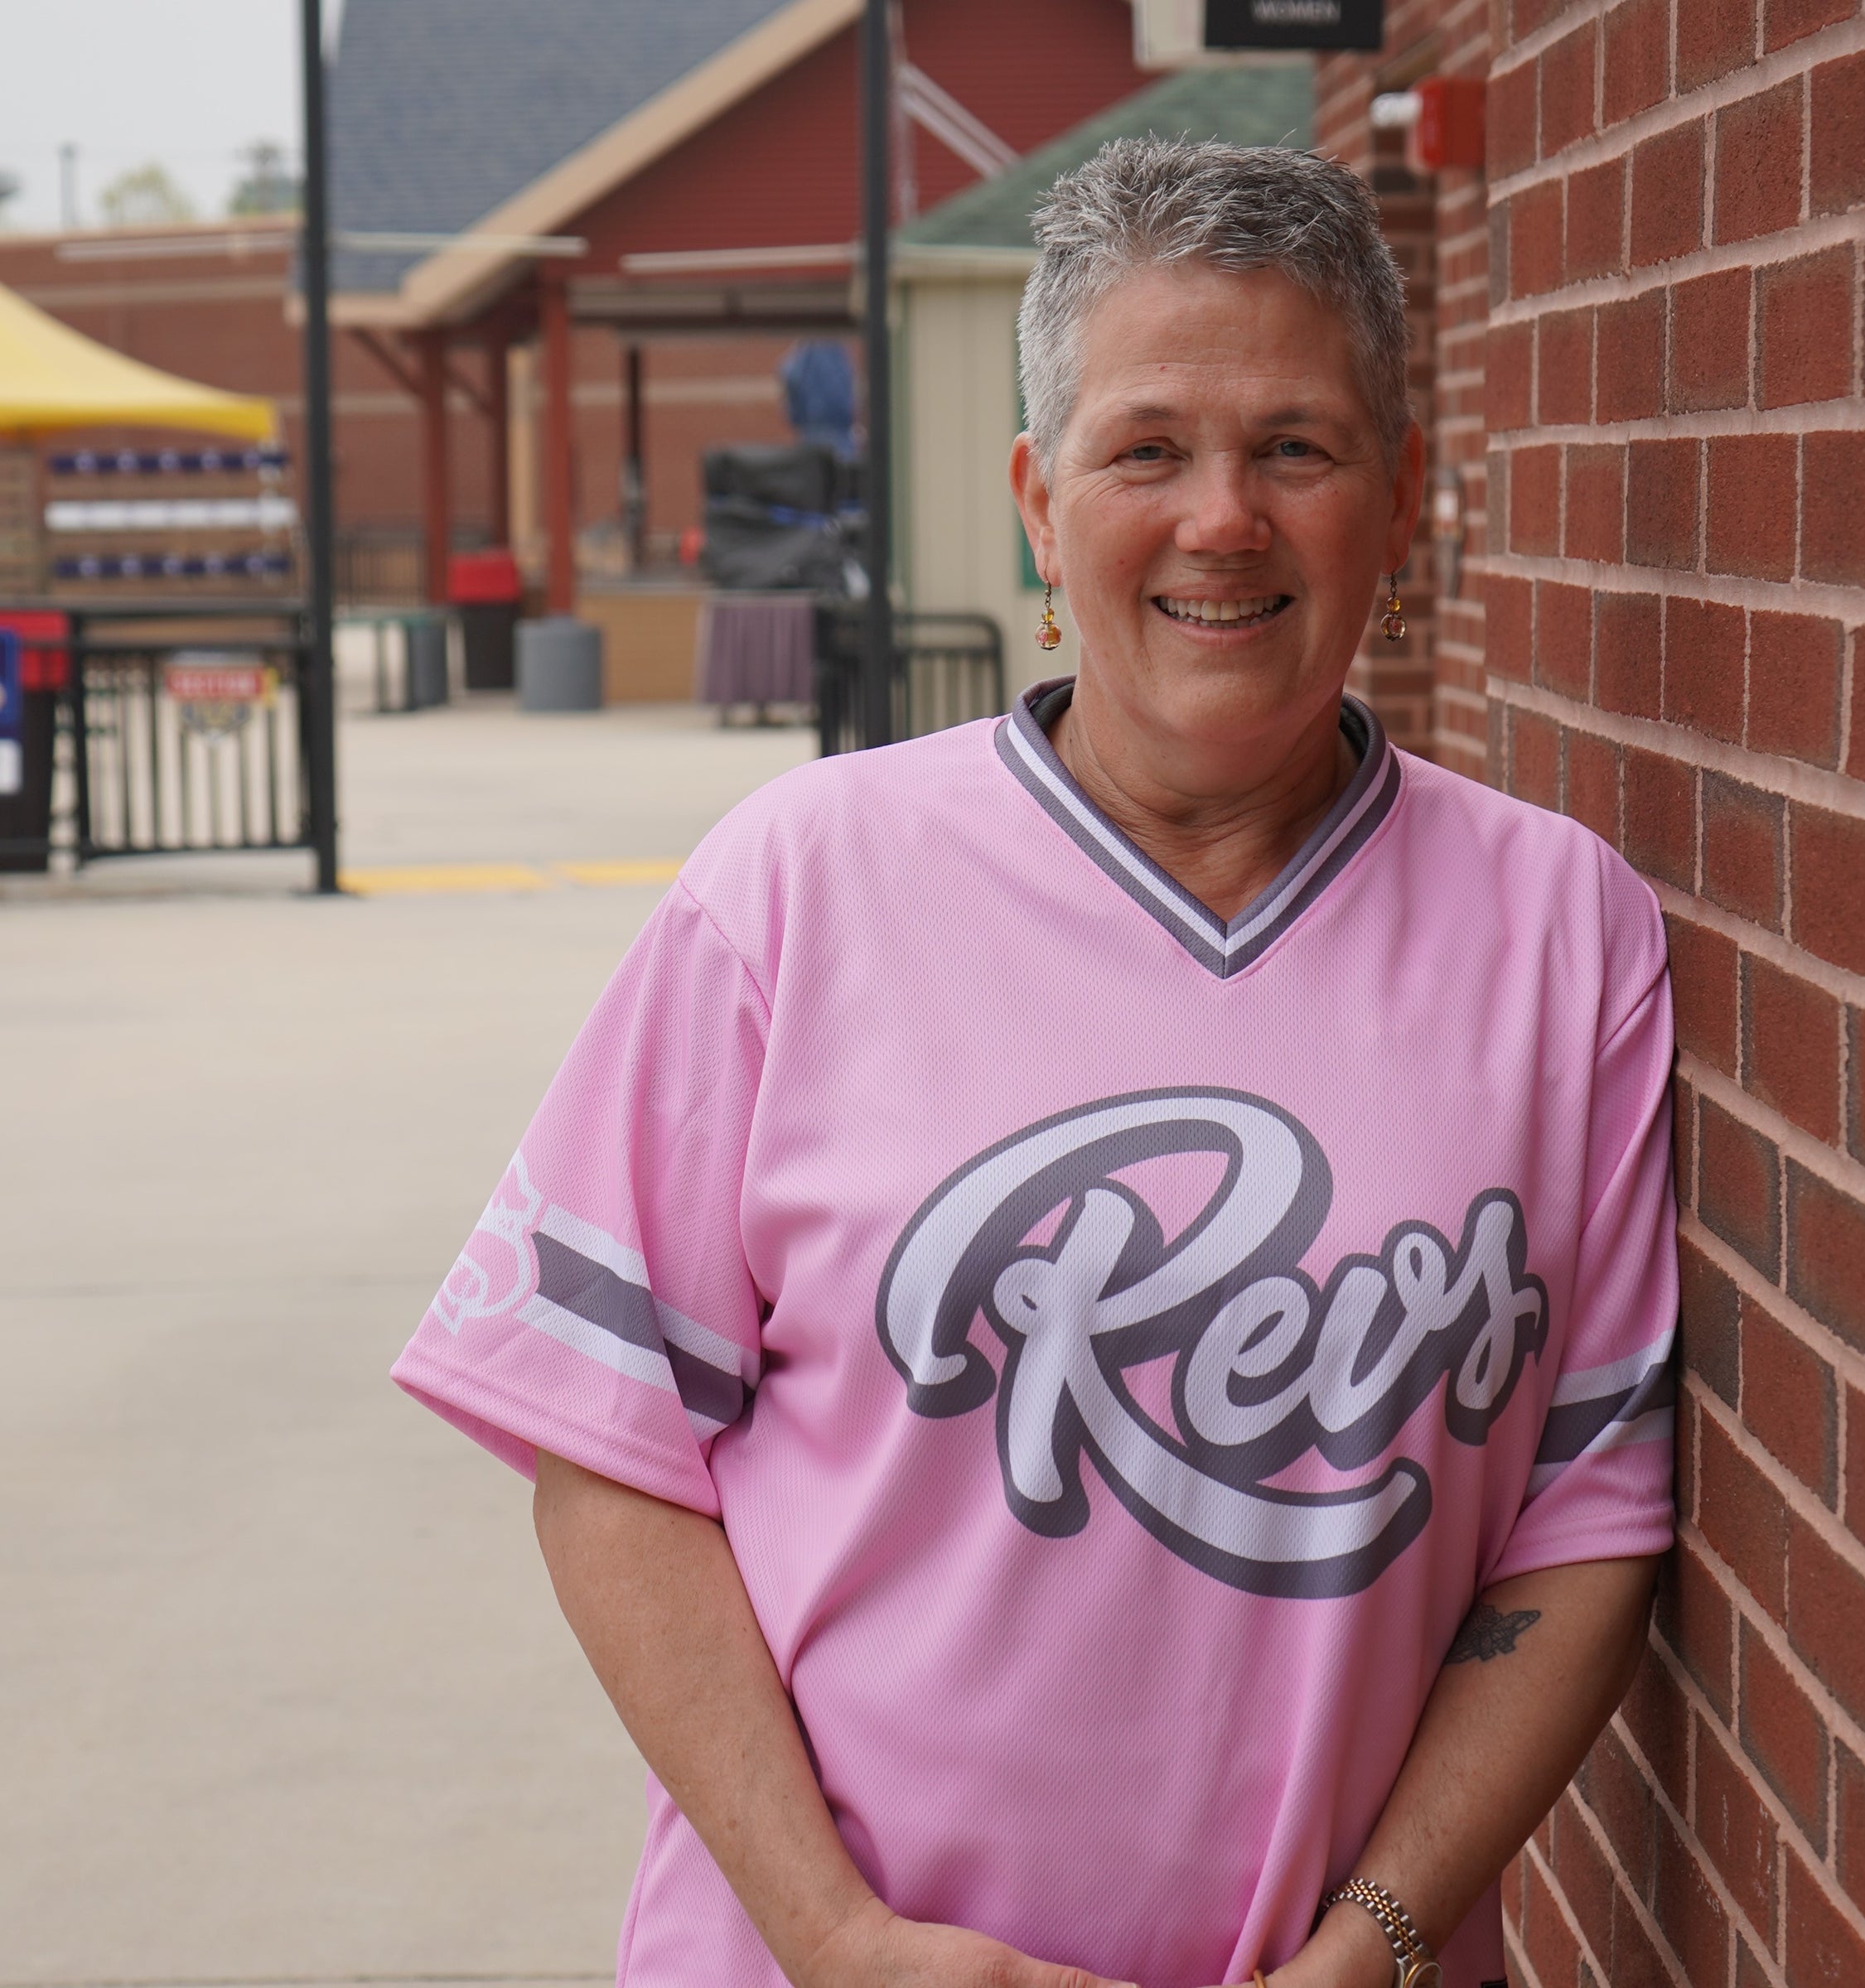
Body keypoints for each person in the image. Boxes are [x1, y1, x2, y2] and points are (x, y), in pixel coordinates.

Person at [392, 138, 1677, 1988]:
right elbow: (609, 1455)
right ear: (1036, 502)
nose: (1221, 518)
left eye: (1296, 450)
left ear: (1401, 504)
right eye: (1147, 447)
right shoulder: (800, 886)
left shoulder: (1570, 937)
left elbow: (1586, 1518)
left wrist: (1378, 1946)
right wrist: (833, 1940)